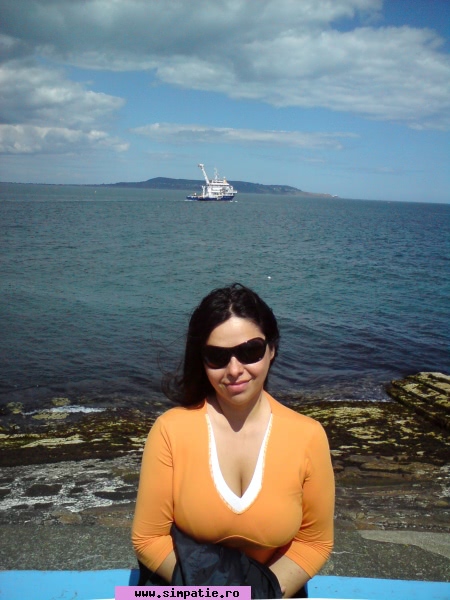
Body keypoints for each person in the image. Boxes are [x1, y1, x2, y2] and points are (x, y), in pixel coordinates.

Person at [132, 283, 335, 598]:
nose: (235, 370)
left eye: (250, 351)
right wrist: (217, 593)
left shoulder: (308, 436)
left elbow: (314, 542)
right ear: (201, 360)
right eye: (217, 356)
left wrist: (260, 593)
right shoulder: (170, 431)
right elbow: (148, 539)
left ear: (271, 349)